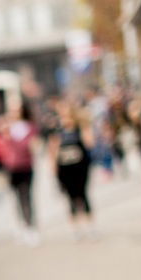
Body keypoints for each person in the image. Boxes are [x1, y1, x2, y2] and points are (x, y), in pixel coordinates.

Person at [0, 102, 40, 246]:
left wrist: (10, 137)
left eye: (17, 111)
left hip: (26, 167)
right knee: (15, 198)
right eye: (12, 111)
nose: (14, 113)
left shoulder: (29, 127)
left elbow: (29, 147)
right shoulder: (5, 126)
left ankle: (31, 228)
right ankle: (20, 228)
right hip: (10, 168)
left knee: (26, 197)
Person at [48, 100, 98, 241]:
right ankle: (75, 228)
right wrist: (53, 165)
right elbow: (53, 148)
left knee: (83, 194)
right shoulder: (56, 129)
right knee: (70, 197)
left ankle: (90, 226)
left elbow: (90, 143)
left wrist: (84, 125)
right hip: (65, 168)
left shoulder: (79, 127)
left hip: (80, 167)